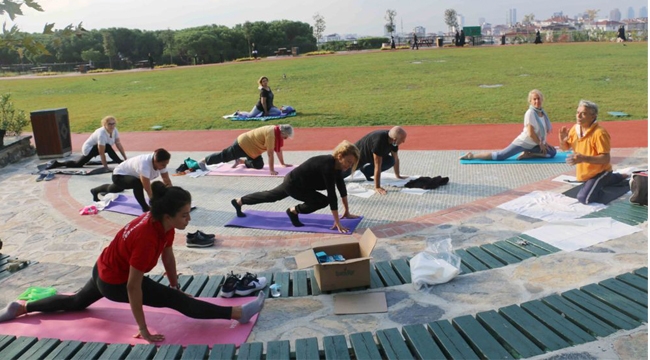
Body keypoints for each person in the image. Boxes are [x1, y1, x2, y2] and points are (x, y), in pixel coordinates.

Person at [0, 183, 265, 343]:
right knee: (177, 303)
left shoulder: (163, 222)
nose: (189, 219)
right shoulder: (146, 238)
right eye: (184, 215)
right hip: (114, 281)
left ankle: (21, 307)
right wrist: (142, 327)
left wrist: (173, 283)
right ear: (169, 215)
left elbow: (168, 254)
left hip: (103, 266)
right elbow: (132, 288)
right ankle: (238, 314)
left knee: (76, 302)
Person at [231, 140, 360, 233]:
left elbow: (342, 189)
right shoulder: (327, 166)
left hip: (303, 185)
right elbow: (332, 195)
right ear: (339, 156)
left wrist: (347, 212)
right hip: (293, 184)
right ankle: (293, 211)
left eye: (352, 163)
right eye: (348, 162)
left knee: (271, 195)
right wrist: (337, 222)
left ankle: (239, 202)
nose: (349, 166)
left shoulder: (338, 167)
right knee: (321, 201)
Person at [559, 100, 627, 204]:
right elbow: (565, 148)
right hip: (585, 174)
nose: (579, 116)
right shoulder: (575, 129)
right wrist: (562, 141)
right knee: (593, 187)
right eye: (578, 112)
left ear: (593, 116)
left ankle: (610, 185)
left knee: (584, 198)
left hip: (600, 172)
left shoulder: (600, 133)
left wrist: (583, 158)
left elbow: (605, 158)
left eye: (583, 113)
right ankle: (616, 177)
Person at [460, 89, 556, 162]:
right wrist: (541, 144)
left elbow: (541, 131)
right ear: (530, 101)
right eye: (534, 99)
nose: (537, 101)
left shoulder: (542, 113)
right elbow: (531, 133)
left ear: (542, 99)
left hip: (534, 144)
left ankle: (528, 154)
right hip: (524, 142)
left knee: (552, 152)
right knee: (500, 156)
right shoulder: (530, 113)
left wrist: (543, 142)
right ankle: (471, 156)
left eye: (538, 99)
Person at [91, 148, 173, 212]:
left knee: (113, 189)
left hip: (129, 176)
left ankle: (95, 190)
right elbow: (147, 188)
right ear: (155, 161)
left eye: (166, 164)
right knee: (138, 183)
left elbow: (166, 180)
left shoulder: (161, 162)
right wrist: (154, 203)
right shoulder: (144, 164)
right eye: (163, 165)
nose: (164, 167)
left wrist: (172, 196)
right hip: (119, 176)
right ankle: (145, 207)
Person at [198, 125, 293, 175]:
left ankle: (240, 161)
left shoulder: (277, 133)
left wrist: (283, 164)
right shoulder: (271, 134)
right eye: (285, 137)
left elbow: (279, 150)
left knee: (258, 165)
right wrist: (271, 170)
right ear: (282, 132)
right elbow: (270, 154)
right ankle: (203, 161)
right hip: (243, 144)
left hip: (253, 149)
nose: (285, 139)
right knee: (225, 156)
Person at [342, 126, 408, 195]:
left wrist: (398, 175)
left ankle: (365, 171)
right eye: (402, 139)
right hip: (356, 157)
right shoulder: (379, 141)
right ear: (394, 139)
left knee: (391, 161)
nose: (403, 141)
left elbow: (396, 158)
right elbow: (377, 165)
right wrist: (377, 187)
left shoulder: (394, 142)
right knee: (338, 176)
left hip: (369, 157)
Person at [47, 116, 127, 171]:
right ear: (105, 124)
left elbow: (118, 144)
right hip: (88, 148)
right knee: (78, 164)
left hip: (98, 147)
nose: (112, 126)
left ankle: (122, 162)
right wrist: (105, 167)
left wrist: (125, 158)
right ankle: (57, 163)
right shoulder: (101, 134)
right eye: (109, 124)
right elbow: (102, 153)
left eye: (113, 123)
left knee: (80, 163)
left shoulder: (114, 130)